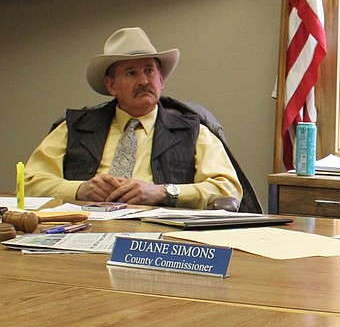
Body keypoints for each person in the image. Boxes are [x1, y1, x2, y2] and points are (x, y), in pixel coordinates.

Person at [24, 27, 243, 209]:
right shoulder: (74, 128)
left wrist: (164, 192)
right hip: (84, 228)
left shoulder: (193, 132)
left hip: (161, 237)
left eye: (149, 71)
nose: (144, 81)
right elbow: (29, 184)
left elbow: (228, 189)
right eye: (131, 73)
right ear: (111, 85)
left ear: (161, 80)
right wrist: (80, 189)